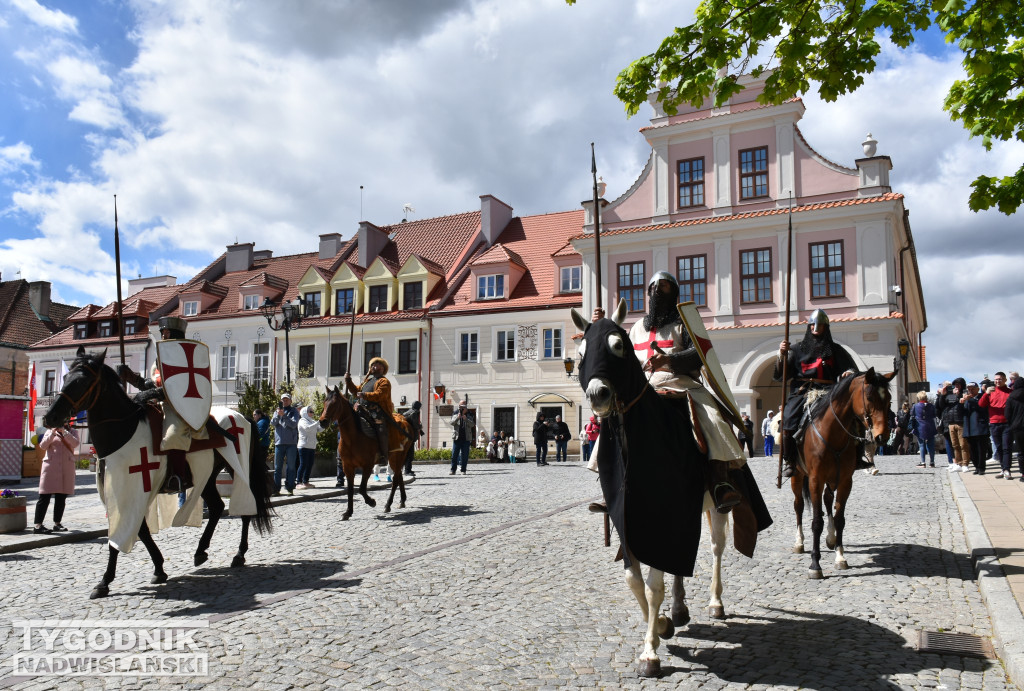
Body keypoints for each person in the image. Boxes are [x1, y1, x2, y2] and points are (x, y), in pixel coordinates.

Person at [595, 272, 742, 512]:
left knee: (712, 418)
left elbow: (699, 356)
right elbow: (616, 355)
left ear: (673, 291)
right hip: (642, 387)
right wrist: (600, 326)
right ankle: (610, 486)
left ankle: (720, 481)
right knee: (612, 422)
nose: (656, 290)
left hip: (680, 383)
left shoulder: (684, 322)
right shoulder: (634, 330)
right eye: (653, 286)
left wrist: (669, 361)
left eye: (662, 286)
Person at [116, 315, 203, 494]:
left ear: (173, 334)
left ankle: (178, 477)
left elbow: (177, 388)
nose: (162, 336)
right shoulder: (160, 359)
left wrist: (148, 394)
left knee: (173, 435)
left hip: (179, 406)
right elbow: (153, 384)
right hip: (160, 403)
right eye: (162, 333)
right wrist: (131, 377)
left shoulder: (183, 357)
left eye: (166, 333)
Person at [774, 309, 857, 478]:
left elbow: (852, 368)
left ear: (826, 327)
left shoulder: (835, 350)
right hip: (803, 393)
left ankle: (858, 456)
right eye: (813, 324)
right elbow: (781, 376)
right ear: (809, 326)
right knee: (788, 421)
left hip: (829, 392)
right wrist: (782, 355)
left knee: (852, 419)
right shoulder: (796, 350)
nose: (815, 327)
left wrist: (849, 372)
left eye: (819, 325)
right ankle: (790, 461)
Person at [344, 357, 395, 468]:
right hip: (362, 410)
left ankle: (383, 455)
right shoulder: (367, 381)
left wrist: (364, 395)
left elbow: (380, 395)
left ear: (382, 368)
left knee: (381, 429)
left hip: (377, 412)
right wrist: (348, 381)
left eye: (376, 364)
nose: (373, 366)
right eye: (372, 365)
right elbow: (355, 391)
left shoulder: (384, 381)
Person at [34, 423, 79, 533]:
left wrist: (64, 432)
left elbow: (75, 443)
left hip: (66, 467)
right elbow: (43, 446)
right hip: (50, 467)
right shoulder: (49, 431)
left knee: (61, 497)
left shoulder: (72, 432)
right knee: (44, 496)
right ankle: (38, 526)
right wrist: (53, 433)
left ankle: (57, 523)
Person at [979, 371, 1013, 479]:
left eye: (1000, 379)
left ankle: (1007, 469)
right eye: (996, 379)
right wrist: (986, 393)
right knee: (998, 448)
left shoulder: (1010, 392)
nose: (998, 381)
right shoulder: (991, 392)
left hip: (1007, 424)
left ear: (1005, 380)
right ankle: (1003, 469)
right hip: (994, 424)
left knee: (1006, 447)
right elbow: (981, 404)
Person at [936, 378, 970, 472]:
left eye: (958, 385)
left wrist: (958, 395)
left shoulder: (965, 393)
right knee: (954, 445)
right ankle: (957, 463)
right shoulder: (949, 394)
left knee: (963, 444)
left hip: (960, 421)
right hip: (950, 422)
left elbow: (964, 406)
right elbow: (942, 406)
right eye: (955, 385)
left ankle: (965, 463)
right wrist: (942, 395)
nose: (956, 387)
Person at [271, 393, 300, 495]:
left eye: (286, 400)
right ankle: (276, 489)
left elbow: (293, 424)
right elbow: (273, 423)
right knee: (277, 467)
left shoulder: (294, 411)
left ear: (290, 401)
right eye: (283, 400)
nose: (285, 401)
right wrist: (279, 415)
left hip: (291, 443)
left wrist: (285, 416)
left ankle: (290, 487)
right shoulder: (277, 411)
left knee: (291, 467)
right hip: (279, 443)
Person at [962, 382, 991, 475]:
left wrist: (970, 400)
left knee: (981, 450)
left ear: (978, 389)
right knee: (972, 451)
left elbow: (981, 407)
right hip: (969, 428)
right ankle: (976, 466)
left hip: (980, 427)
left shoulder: (982, 397)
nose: (970, 391)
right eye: (969, 389)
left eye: (972, 389)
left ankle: (981, 468)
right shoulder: (966, 399)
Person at [296, 405, 321, 489]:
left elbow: (319, 429)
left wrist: (324, 424)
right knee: (303, 464)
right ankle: (298, 482)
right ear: (305, 412)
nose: (312, 413)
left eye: (312, 411)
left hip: (312, 446)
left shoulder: (312, 421)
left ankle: (305, 481)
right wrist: (318, 422)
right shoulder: (302, 421)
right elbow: (307, 428)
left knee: (310, 464)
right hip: (303, 446)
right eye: (310, 411)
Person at [1004, 377, 1024, 480]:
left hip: (1017, 427)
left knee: (1021, 452)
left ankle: (1023, 474)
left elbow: (1007, 414)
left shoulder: (1011, 397)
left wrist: (1012, 423)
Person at [912, 391, 937, 468]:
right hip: (930, 426)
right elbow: (934, 414)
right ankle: (932, 462)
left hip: (920, 427)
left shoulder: (916, 406)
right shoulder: (931, 406)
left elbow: (912, 414)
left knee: (922, 445)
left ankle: (923, 463)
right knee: (931, 445)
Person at [450, 400, 475, 475]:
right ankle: (453, 470)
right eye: (461, 406)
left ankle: (463, 470)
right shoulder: (455, 413)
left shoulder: (469, 414)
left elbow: (472, 425)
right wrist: (458, 418)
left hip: (466, 438)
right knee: (454, 455)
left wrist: (466, 419)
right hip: (457, 438)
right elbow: (451, 423)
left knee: (465, 455)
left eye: (464, 407)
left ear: (466, 408)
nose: (462, 408)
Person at [403, 401, 424, 477]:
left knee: (407, 453)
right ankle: (407, 470)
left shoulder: (407, 412)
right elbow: (415, 424)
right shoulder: (414, 413)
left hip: (406, 435)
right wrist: (420, 427)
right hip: (410, 436)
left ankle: (408, 469)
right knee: (410, 454)